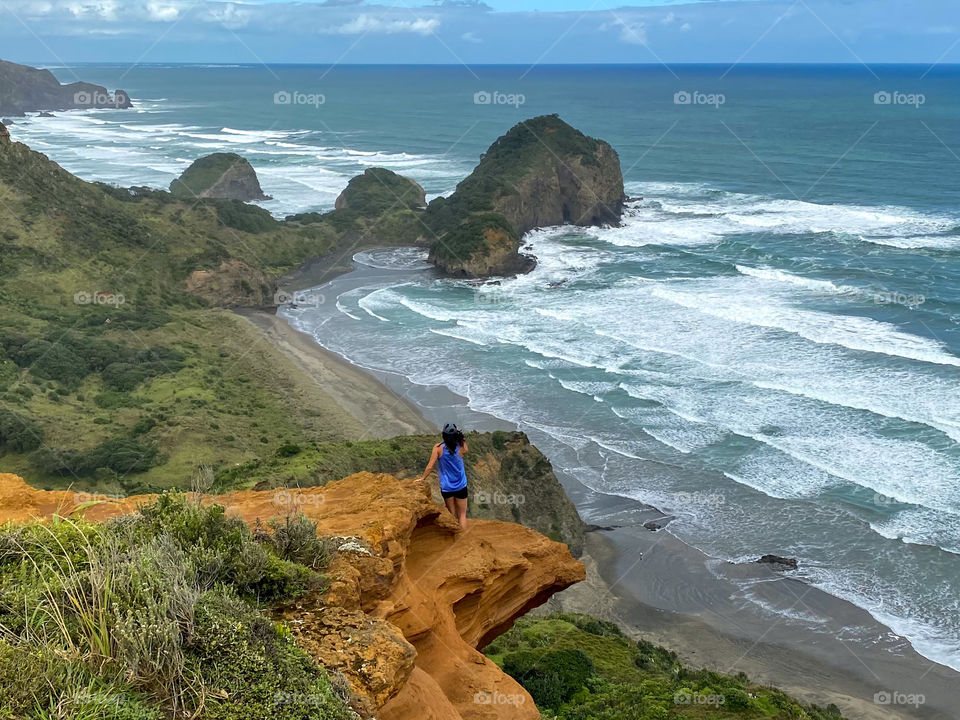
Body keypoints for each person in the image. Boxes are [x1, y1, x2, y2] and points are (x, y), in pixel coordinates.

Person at [422, 422, 469, 528]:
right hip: (461, 485)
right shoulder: (460, 447)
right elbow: (466, 448)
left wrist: (422, 478)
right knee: (462, 514)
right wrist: (460, 434)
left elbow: (430, 467)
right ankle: (462, 539)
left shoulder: (438, 448)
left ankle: (454, 536)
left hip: (447, 487)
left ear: (444, 435)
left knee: (452, 514)